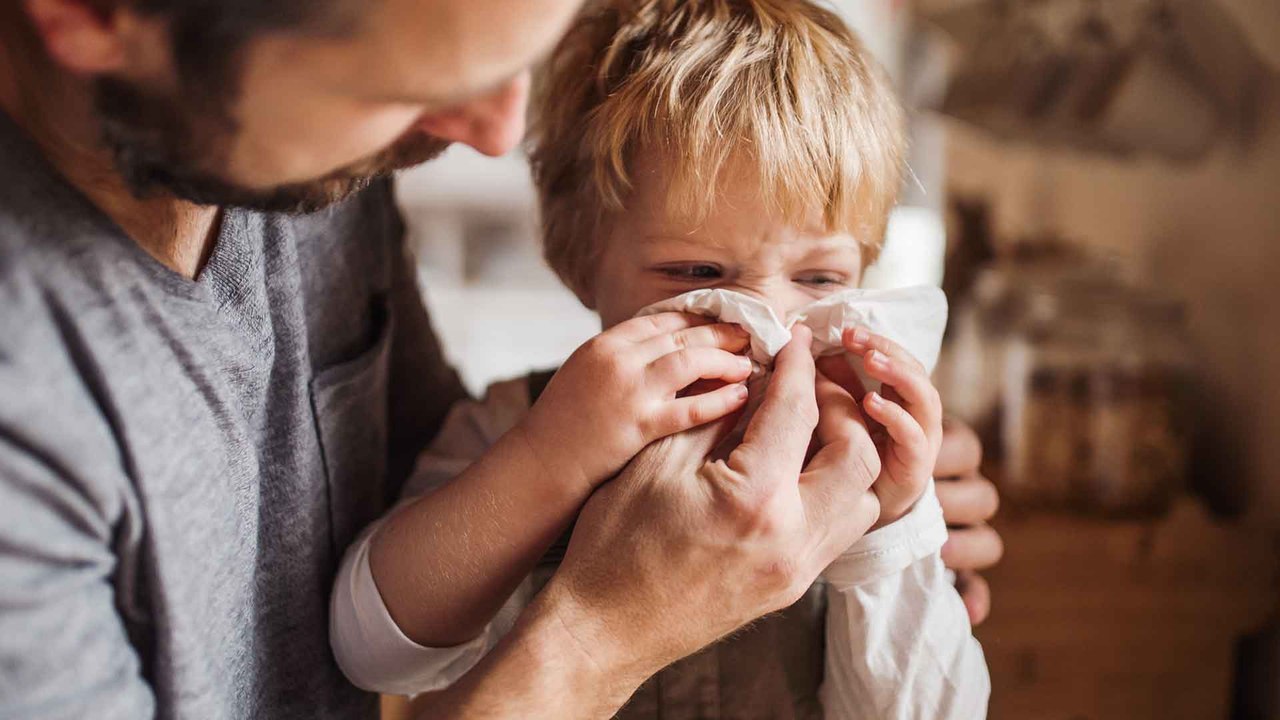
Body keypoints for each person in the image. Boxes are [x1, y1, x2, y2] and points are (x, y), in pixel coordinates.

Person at [0, 0, 1002, 718]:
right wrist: (602, 615)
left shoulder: (312, 158)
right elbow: (376, 633)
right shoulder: (27, 402)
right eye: (407, 86)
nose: (495, 136)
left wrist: (895, 533)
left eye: (820, 282)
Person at [329, 2, 988, 717]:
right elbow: (372, 651)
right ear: (583, 264)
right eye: (698, 274)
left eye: (820, 280)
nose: (770, 324)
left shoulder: (858, 456)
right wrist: (551, 458)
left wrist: (891, 531)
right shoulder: (523, 423)